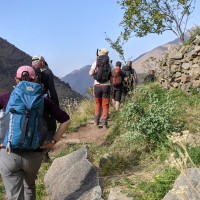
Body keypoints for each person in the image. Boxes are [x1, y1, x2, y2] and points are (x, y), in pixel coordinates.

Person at [0, 66, 70, 200]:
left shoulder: (5, 97)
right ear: (35, 79)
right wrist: (53, 142)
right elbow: (66, 120)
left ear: (16, 79)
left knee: (14, 195)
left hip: (9, 153)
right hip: (34, 155)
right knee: (29, 187)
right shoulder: (43, 100)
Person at [32, 55, 59, 161]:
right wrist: (56, 107)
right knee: (51, 128)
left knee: (37, 127)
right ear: (42, 62)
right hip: (44, 102)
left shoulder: (30, 72)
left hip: (31, 104)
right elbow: (52, 90)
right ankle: (44, 153)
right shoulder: (47, 72)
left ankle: (35, 153)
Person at [89, 48, 114, 129]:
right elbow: (113, 74)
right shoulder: (109, 64)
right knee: (105, 105)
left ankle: (96, 121)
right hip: (106, 86)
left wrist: (95, 74)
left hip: (97, 86)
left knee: (97, 104)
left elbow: (91, 73)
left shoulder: (95, 62)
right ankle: (104, 123)